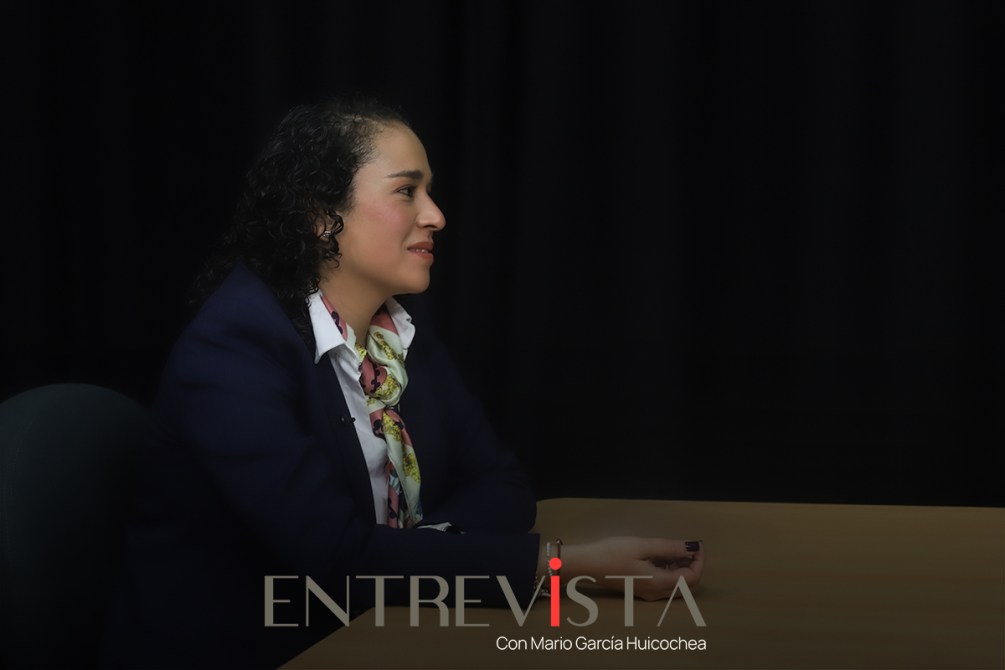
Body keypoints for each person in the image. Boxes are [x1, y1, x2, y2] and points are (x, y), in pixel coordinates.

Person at [100, 95, 706, 669]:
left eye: (430, 192)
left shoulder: (393, 330)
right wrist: (563, 566)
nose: (436, 215)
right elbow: (339, 560)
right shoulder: (231, 350)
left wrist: (410, 556)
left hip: (374, 630)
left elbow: (503, 486)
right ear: (318, 213)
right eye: (405, 191)